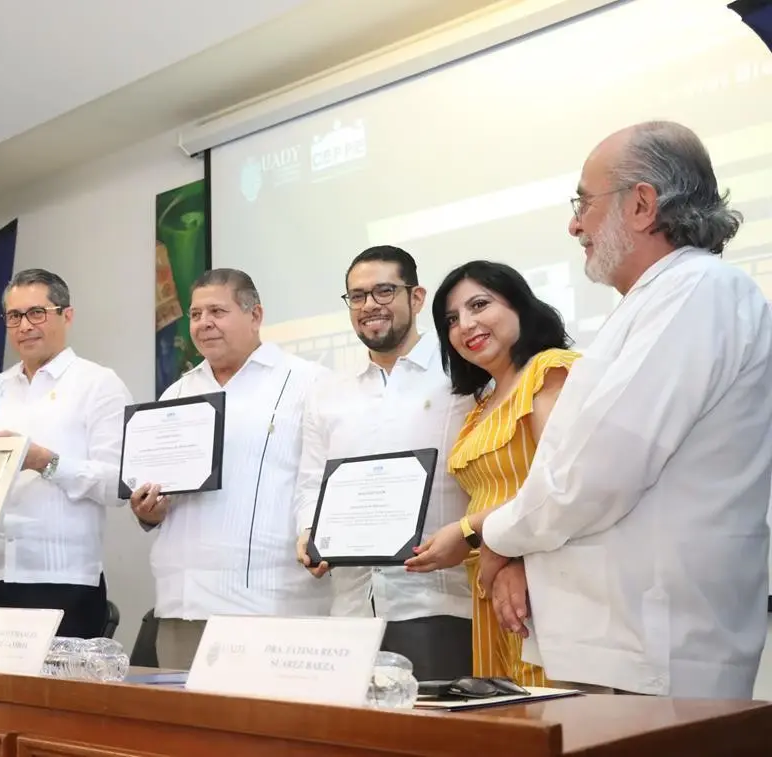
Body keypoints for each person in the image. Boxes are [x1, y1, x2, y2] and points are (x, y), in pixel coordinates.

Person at [477, 121, 772, 698]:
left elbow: (598, 471)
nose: (574, 224)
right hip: (624, 651)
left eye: (584, 203)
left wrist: (500, 536)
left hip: (652, 657)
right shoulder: (661, 299)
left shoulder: (698, 290)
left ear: (641, 205)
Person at [130, 269, 332, 670]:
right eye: (195, 314)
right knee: (186, 731)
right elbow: (158, 493)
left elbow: (320, 481)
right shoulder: (178, 392)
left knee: (268, 728)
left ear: (254, 314)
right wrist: (148, 511)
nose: (204, 323)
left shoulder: (309, 382)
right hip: (183, 603)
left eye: (217, 311)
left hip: (272, 605)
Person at [294, 247, 475, 681]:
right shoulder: (328, 392)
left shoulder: (465, 376)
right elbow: (310, 483)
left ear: (417, 298)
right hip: (352, 610)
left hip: (438, 603)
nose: (369, 305)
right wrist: (308, 533)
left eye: (384, 291)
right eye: (357, 296)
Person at [401, 260, 579, 686]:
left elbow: (563, 483)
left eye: (480, 305)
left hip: (543, 583)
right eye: (452, 319)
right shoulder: (481, 405)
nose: (466, 325)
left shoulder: (549, 370)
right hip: (490, 593)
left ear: (520, 305)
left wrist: (478, 536)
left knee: (554, 725)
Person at [0, 269, 133, 639]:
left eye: (36, 313)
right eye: (14, 316)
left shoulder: (99, 384)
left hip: (62, 579)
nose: (24, 326)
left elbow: (120, 484)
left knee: (54, 696)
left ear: (66, 315)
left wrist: (45, 461)